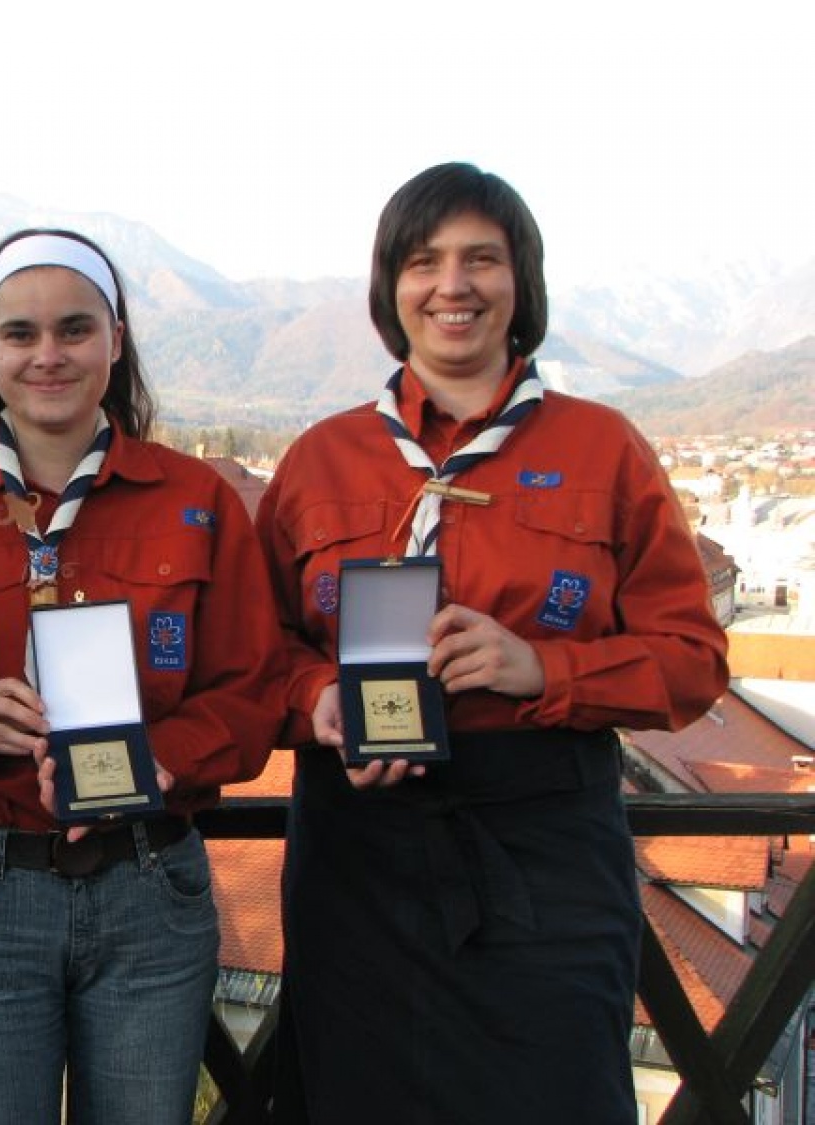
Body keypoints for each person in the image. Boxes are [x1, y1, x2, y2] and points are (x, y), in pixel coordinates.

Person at [255, 162, 729, 1124]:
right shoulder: (319, 458)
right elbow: (252, 656)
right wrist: (315, 700)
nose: (453, 284)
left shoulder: (604, 449)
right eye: (424, 261)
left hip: (543, 854)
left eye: (483, 258)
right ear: (392, 287)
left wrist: (543, 668)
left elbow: (693, 660)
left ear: (523, 282)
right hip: (359, 861)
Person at [0, 228, 286, 1125]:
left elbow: (253, 691)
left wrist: (158, 757)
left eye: (75, 328)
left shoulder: (197, 500)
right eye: (20, 334)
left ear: (116, 338)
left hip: (148, 887)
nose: (49, 355)